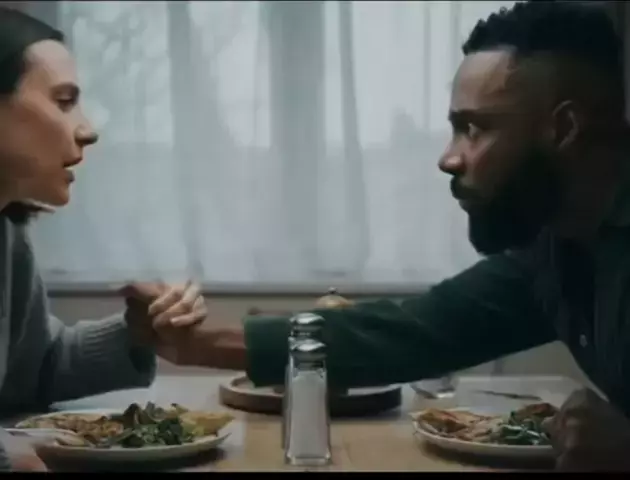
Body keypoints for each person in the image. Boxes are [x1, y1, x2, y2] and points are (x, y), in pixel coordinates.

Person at [171, 1, 630, 472]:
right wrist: (194, 343)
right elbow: (415, 331)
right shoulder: (556, 247)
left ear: (564, 128)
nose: (448, 159)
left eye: (474, 128)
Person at [0, 7, 208, 471]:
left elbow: (32, 370)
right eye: (63, 101)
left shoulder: (7, 237)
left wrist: (136, 334)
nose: (88, 130)